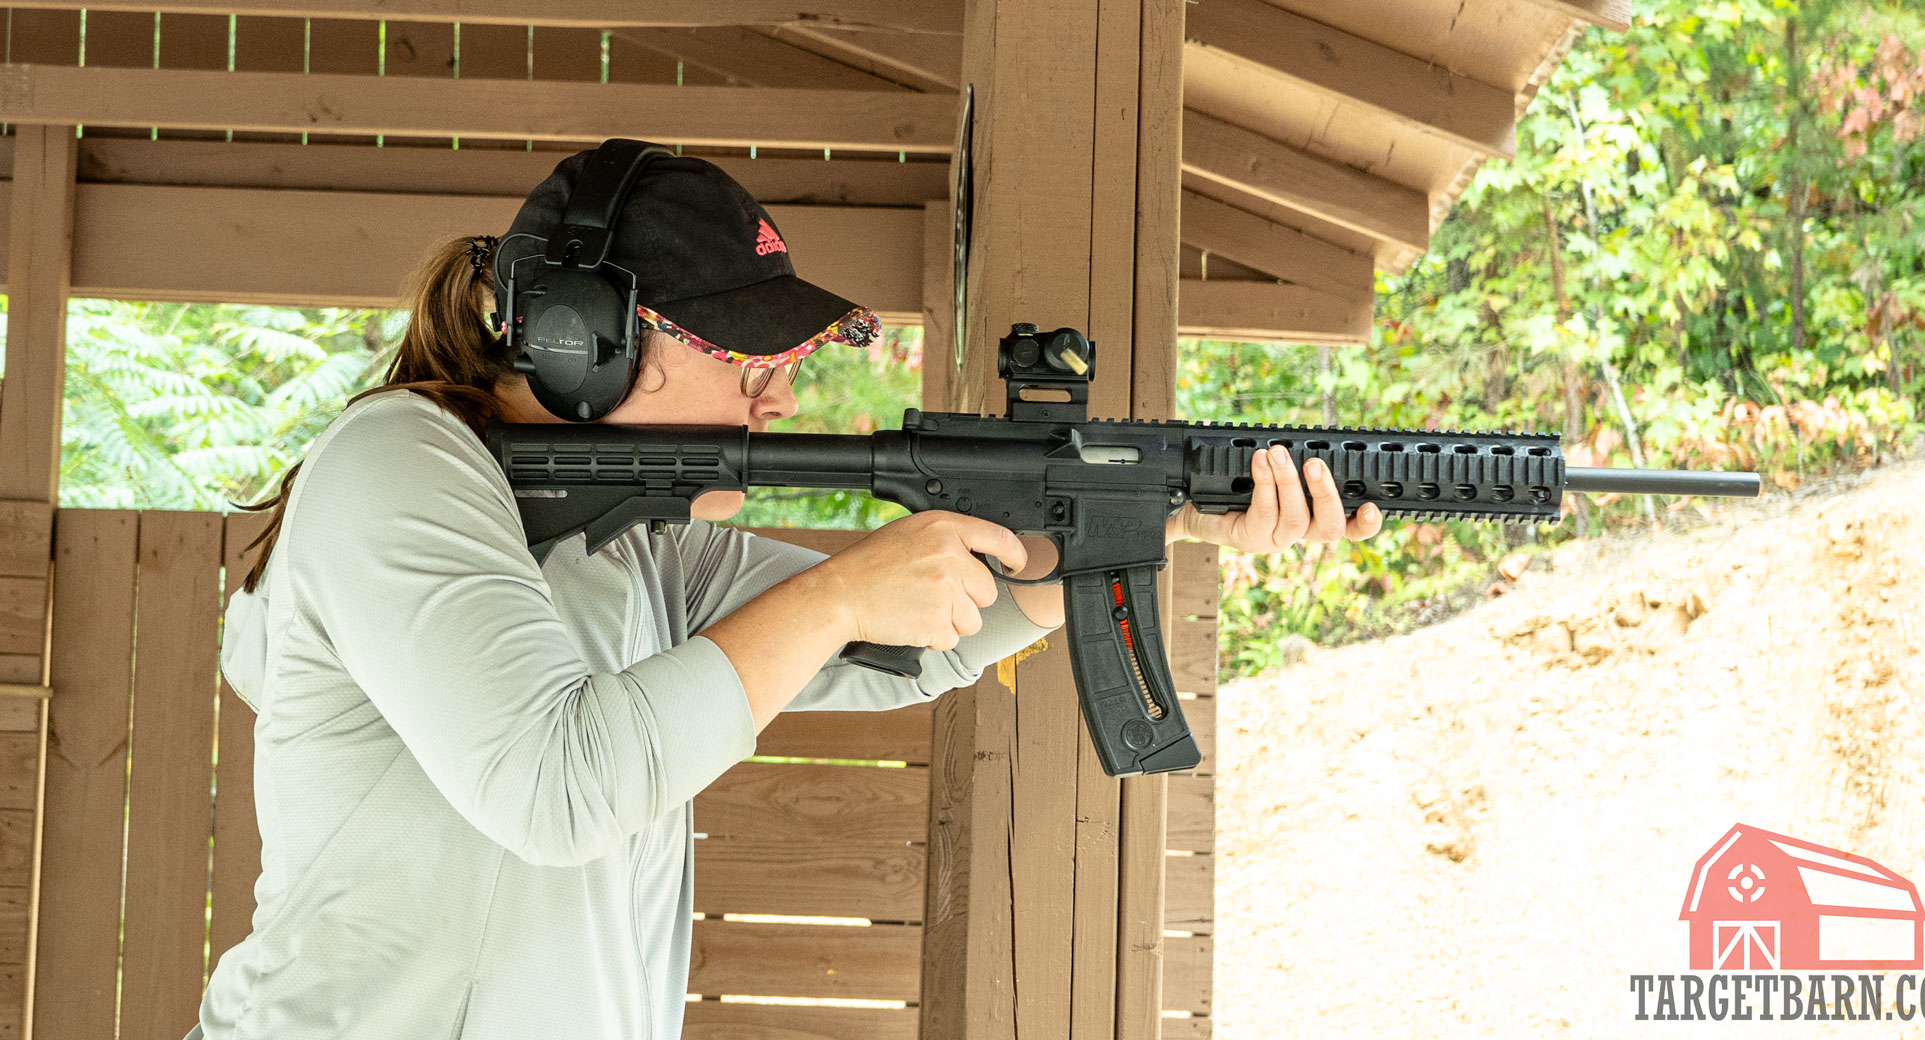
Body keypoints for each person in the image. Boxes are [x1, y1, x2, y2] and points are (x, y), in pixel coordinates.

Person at [184, 145, 1384, 1040]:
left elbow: (914, 645)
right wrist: (841, 590)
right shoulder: (396, 464)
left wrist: (1141, 520)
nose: (776, 396)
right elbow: (557, 787)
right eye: (745, 356)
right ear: (579, 336)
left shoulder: (641, 542)